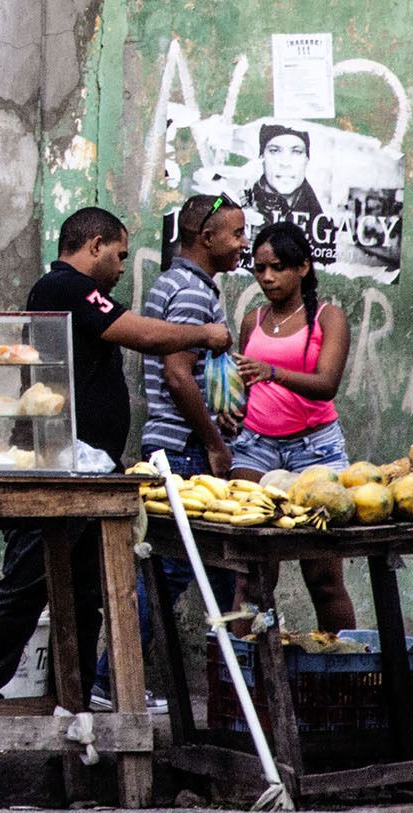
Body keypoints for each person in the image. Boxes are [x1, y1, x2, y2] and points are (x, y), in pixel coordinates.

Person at [0, 207, 232, 700]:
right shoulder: (62, 287)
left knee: (85, 596)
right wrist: (204, 334)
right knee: (26, 582)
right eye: (120, 254)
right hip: (54, 466)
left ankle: (77, 695)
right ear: (94, 246)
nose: (124, 266)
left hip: (87, 469)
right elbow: (143, 335)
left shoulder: (78, 294)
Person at [92, 193, 245, 706]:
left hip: (176, 446)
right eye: (237, 234)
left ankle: (224, 679)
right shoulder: (189, 293)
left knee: (192, 570)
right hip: (182, 451)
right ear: (207, 238)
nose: (243, 243)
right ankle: (113, 681)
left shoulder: (185, 285)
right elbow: (179, 376)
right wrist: (215, 444)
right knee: (166, 572)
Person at [228, 219, 356, 631]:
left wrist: (272, 372)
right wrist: (230, 409)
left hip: (315, 450)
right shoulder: (253, 319)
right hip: (255, 447)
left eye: (277, 267)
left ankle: (341, 672)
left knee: (322, 577)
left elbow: (326, 384)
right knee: (252, 575)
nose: (267, 277)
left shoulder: (327, 317)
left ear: (302, 267)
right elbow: (244, 382)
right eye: (259, 268)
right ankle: (241, 682)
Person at [248, 124, 334, 264]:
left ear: (307, 159)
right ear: (261, 156)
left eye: (296, 152)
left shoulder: (322, 226)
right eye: (275, 151)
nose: (286, 163)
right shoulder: (242, 207)